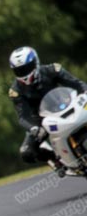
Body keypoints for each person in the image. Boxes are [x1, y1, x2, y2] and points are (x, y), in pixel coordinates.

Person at [8, 46, 87, 177]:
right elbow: (22, 116)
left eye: (26, 68)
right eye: (19, 70)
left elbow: (77, 83)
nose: (23, 73)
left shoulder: (52, 70)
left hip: (66, 104)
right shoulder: (16, 91)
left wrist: (85, 90)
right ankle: (56, 160)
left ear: (36, 63)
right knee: (26, 152)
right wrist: (33, 127)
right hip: (41, 120)